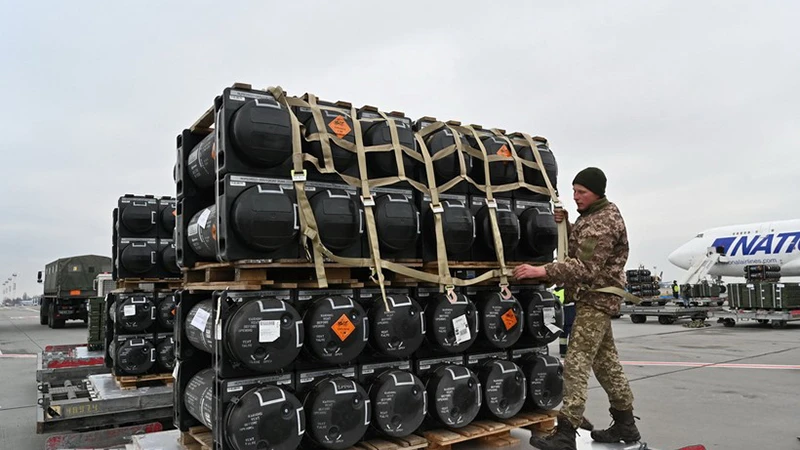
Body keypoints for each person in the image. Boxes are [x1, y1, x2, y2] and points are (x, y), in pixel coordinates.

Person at [513, 167, 640, 450]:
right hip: (594, 299)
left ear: (597, 192)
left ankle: (566, 432)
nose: (575, 197)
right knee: (606, 364)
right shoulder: (592, 217)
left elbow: (585, 267)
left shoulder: (602, 221)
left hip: (596, 299)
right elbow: (584, 248)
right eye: (574, 191)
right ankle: (625, 424)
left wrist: (539, 270)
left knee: (576, 363)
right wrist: (568, 225)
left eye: (581, 192)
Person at [554, 286, 575, 358]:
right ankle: (572, 351)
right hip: (570, 312)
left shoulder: (554, 291)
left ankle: (563, 351)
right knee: (572, 334)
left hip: (560, 315)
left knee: (562, 335)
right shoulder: (565, 290)